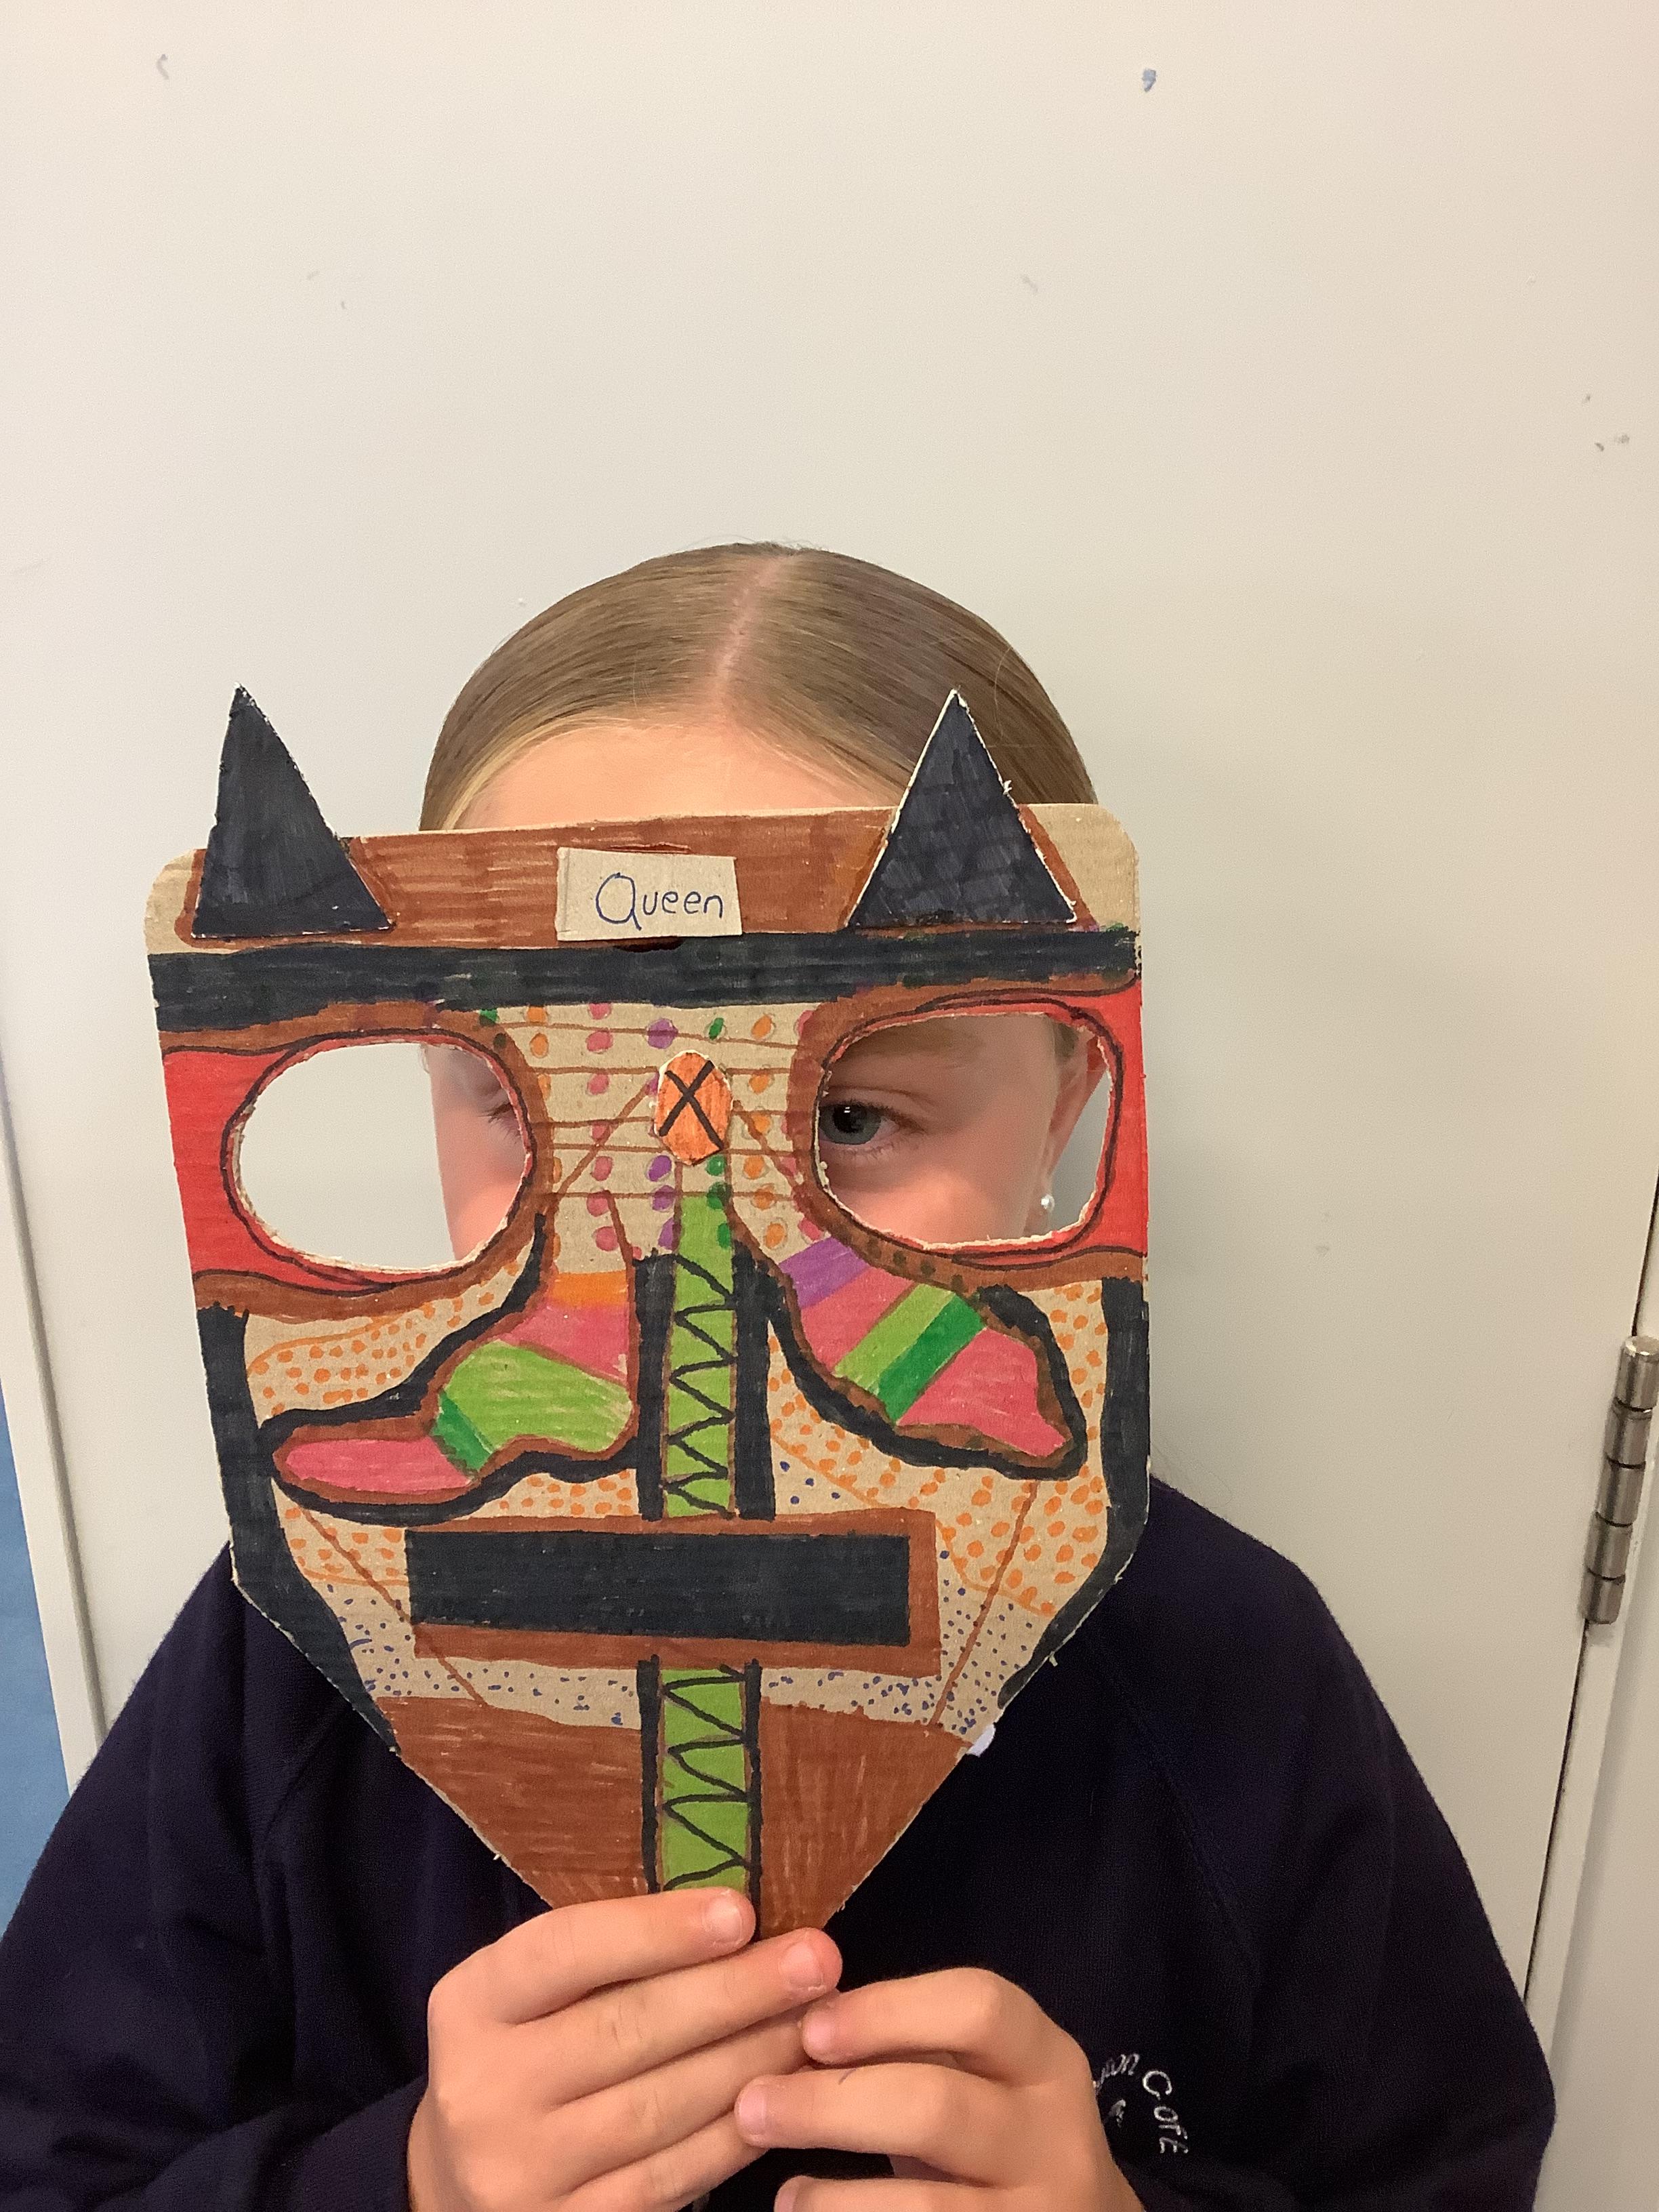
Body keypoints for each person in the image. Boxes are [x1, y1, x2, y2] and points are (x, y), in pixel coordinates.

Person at [0, 545, 1553, 2211]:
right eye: (523, 1107)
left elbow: (1442, 2167)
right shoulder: (297, 1648)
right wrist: (406, 2184)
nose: (680, 1257)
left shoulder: (1230, 1675)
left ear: (1071, 1109)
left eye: (851, 1120)